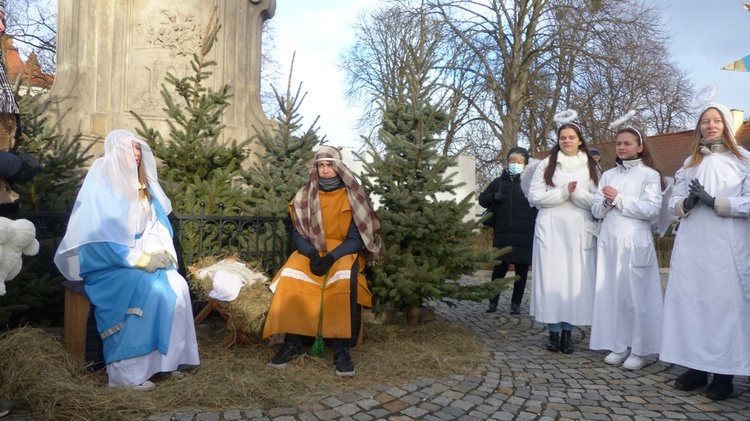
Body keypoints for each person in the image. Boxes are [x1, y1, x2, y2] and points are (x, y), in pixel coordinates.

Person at [54, 130, 200, 390]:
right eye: (130, 149)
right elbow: (97, 239)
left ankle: (168, 363)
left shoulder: (144, 188)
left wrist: (160, 253)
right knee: (147, 288)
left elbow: (157, 227)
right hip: (109, 265)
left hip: (140, 260)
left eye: (138, 149)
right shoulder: (102, 188)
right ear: (116, 152)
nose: (136, 154)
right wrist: (139, 259)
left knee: (176, 284)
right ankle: (127, 375)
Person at [263, 146, 382, 377]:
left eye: (329, 165)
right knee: (290, 274)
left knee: (342, 282)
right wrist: (311, 254)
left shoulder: (353, 196)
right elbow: (298, 233)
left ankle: (341, 349)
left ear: (338, 168)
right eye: (321, 166)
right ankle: (292, 343)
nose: (325, 170)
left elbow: (357, 239)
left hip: (343, 251)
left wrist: (330, 257)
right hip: (311, 250)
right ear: (315, 168)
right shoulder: (304, 196)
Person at [660, 103, 750, 401]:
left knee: (723, 306)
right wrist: (687, 203)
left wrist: (716, 201)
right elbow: (673, 201)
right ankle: (695, 366)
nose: (710, 126)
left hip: (726, 245)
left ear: (726, 125)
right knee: (691, 301)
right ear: (698, 127)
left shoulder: (744, 161)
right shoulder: (689, 163)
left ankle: (724, 374)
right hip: (692, 244)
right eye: (705, 122)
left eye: (716, 121)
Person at [589, 128, 664, 370]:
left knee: (636, 296)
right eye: (619, 143)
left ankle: (640, 349)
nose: (622, 147)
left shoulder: (649, 175)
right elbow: (596, 210)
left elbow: (651, 209)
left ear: (640, 147)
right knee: (614, 294)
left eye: (627, 143)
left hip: (635, 241)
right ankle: (618, 344)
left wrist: (620, 198)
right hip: (610, 240)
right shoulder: (608, 175)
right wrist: (607, 202)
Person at [527, 122, 600, 354]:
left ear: (580, 140)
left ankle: (568, 333)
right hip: (551, 227)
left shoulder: (591, 166)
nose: (566, 141)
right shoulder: (546, 165)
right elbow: (534, 196)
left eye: (571, 137)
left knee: (574, 281)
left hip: (578, 229)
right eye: (562, 137)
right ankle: (553, 332)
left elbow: (596, 201)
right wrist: (561, 193)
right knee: (552, 280)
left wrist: (576, 193)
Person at [478, 147, 537, 315]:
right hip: (502, 232)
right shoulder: (498, 182)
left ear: (525, 164)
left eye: (519, 162)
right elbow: (482, 199)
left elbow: (538, 204)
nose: (515, 164)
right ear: (507, 163)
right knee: (499, 269)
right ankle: (492, 300)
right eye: (513, 161)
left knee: (521, 271)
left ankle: (516, 303)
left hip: (524, 232)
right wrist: (492, 197)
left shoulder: (530, 183)